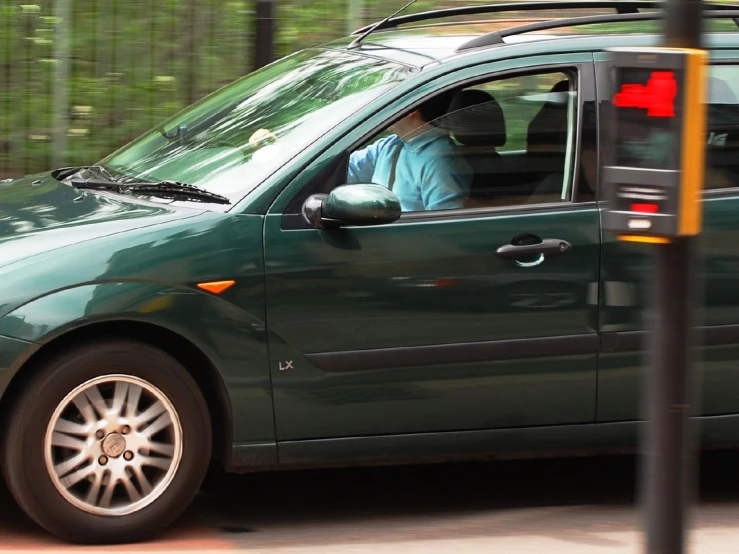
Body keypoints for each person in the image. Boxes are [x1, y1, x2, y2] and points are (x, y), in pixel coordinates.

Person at [347, 94, 472, 212]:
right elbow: (343, 168)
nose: (385, 111)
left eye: (393, 103)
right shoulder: (390, 146)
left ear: (411, 109)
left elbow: (443, 224)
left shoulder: (440, 162)